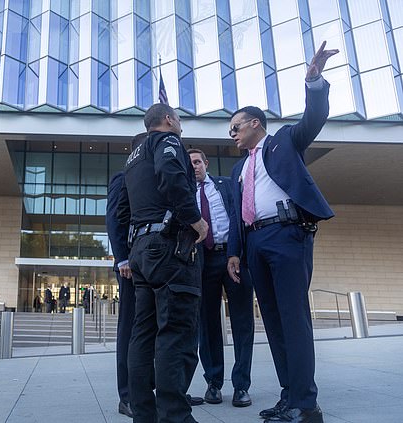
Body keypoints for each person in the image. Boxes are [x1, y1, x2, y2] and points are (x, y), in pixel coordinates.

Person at [226, 42, 338, 423]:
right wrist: (235, 253)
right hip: (255, 242)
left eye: (236, 127)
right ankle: (288, 395)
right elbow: (239, 215)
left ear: (255, 123)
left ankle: (307, 406)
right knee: (272, 322)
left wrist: (314, 80)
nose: (233, 135)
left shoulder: (285, 141)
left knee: (293, 317)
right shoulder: (238, 171)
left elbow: (315, 117)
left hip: (287, 235)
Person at [117, 103, 208, 423]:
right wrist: (195, 219)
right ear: (168, 120)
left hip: (142, 248)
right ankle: (175, 417)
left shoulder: (133, 157)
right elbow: (172, 177)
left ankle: (144, 414)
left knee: (143, 334)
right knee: (176, 333)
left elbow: (125, 208)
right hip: (169, 248)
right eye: (179, 119)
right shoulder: (166, 142)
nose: (181, 125)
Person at [188, 148, 255, 408]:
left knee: (242, 323)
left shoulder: (226, 186)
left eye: (197, 161)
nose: (193, 166)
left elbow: (241, 217)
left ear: (206, 163)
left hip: (232, 257)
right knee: (208, 325)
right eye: (189, 162)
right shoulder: (183, 194)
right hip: (203, 264)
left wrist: (237, 253)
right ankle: (213, 383)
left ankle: (241, 386)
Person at [105, 133, 142, 418]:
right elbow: (114, 219)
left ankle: (154, 389)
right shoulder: (123, 177)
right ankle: (127, 395)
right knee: (129, 328)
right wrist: (122, 259)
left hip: (156, 262)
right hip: (130, 266)